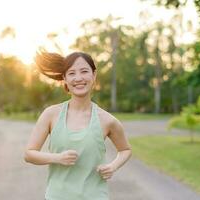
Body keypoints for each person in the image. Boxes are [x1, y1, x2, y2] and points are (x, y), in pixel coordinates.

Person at [24, 51, 132, 200]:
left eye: (84, 71)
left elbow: (125, 150)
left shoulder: (108, 120)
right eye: (72, 73)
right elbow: (29, 154)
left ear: (94, 75)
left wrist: (113, 166)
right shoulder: (51, 114)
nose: (78, 78)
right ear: (65, 79)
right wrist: (57, 158)